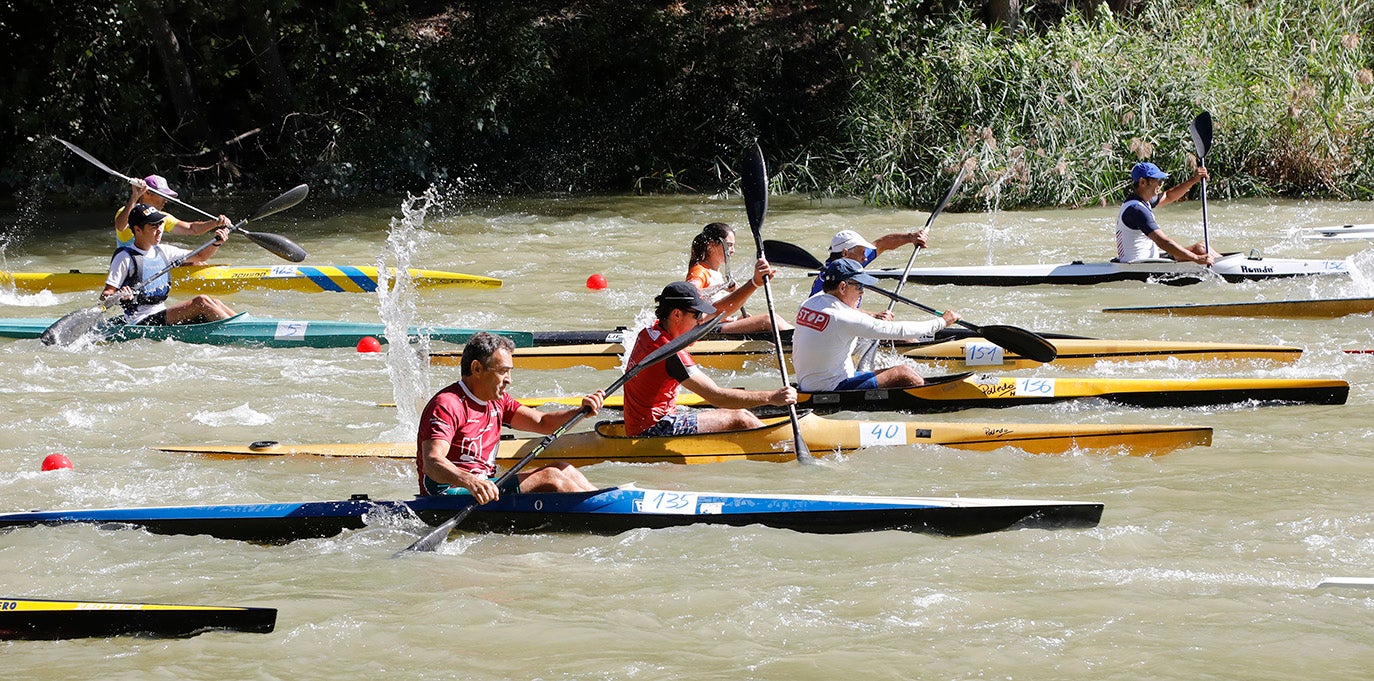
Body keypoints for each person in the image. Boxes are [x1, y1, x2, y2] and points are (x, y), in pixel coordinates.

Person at [416, 332, 606, 503]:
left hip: (485, 488)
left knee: (564, 469)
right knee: (551, 477)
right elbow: (432, 463)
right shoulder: (447, 404)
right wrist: (470, 481)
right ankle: (603, 511)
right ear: (477, 369)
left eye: (509, 371)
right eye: (502, 371)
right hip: (448, 494)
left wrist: (581, 411)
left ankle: (608, 501)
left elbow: (543, 422)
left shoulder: (498, 401)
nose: (509, 379)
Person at [622, 280, 797, 437]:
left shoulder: (651, 332)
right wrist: (772, 397)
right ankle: (784, 448)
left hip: (642, 422)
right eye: (697, 315)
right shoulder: (671, 353)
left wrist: (754, 282)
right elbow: (716, 397)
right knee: (741, 417)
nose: (700, 321)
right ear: (676, 314)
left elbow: (718, 311)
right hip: (653, 430)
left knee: (737, 393)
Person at [792, 258, 960, 392]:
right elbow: (899, 331)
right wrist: (942, 322)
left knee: (876, 364)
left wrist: (873, 316)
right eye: (859, 286)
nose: (862, 292)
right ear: (842, 287)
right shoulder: (843, 317)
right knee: (904, 373)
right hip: (831, 388)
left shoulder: (809, 303)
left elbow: (844, 317)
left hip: (809, 383)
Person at [101, 203, 236, 326]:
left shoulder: (164, 250)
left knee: (215, 302)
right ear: (137, 229)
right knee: (201, 302)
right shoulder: (124, 257)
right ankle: (237, 330)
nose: (159, 230)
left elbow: (200, 256)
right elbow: (105, 296)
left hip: (160, 313)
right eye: (153, 226)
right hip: (139, 321)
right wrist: (119, 295)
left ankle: (247, 323)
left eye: (160, 224)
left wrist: (216, 243)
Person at [685, 222, 791, 333]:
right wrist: (722, 287)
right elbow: (690, 297)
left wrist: (734, 320)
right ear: (711, 245)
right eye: (729, 245)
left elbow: (715, 307)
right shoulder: (699, 270)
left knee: (776, 319)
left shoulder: (716, 272)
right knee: (768, 320)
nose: (733, 250)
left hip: (716, 324)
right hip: (704, 330)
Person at [1116, 162, 1216, 265]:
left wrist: (1194, 180)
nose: (1160, 184)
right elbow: (1162, 242)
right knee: (1200, 250)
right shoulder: (1136, 210)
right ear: (1142, 182)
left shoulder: (1143, 201)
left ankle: (1221, 262)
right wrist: (1196, 258)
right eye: (1158, 180)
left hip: (1149, 259)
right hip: (1139, 265)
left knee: (1201, 247)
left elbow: (1169, 195)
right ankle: (1223, 266)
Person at [114, 175, 229, 251]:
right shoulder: (130, 213)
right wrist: (135, 196)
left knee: (193, 260)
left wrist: (215, 223)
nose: (166, 200)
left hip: (150, 263)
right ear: (147, 193)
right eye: (162, 195)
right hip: (129, 264)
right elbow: (121, 226)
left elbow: (191, 228)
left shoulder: (163, 217)